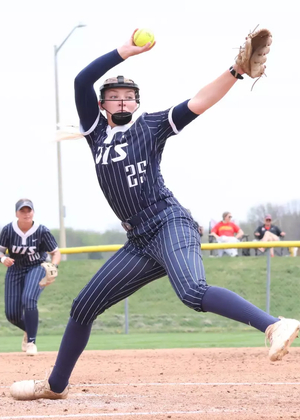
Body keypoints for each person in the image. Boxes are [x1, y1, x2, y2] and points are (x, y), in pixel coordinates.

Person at [10, 30, 300, 401]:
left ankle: (273, 325)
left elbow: (199, 101)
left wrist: (235, 71)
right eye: (113, 97)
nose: (122, 101)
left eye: (128, 97)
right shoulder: (95, 132)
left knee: (192, 291)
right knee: (83, 306)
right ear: (101, 106)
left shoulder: (151, 125)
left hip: (169, 221)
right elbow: (82, 80)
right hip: (139, 240)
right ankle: (55, 386)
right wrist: (125, 52)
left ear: (136, 103)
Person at [0, 199, 61, 356]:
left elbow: (55, 252)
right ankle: (29, 330)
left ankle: (31, 342)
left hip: (36, 267)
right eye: (22, 211)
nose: (26, 214)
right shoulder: (8, 230)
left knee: (29, 299)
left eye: (29, 210)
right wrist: (3, 258)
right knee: (12, 315)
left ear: (33, 212)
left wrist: (54, 266)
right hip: (15, 269)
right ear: (16, 213)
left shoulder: (41, 231)